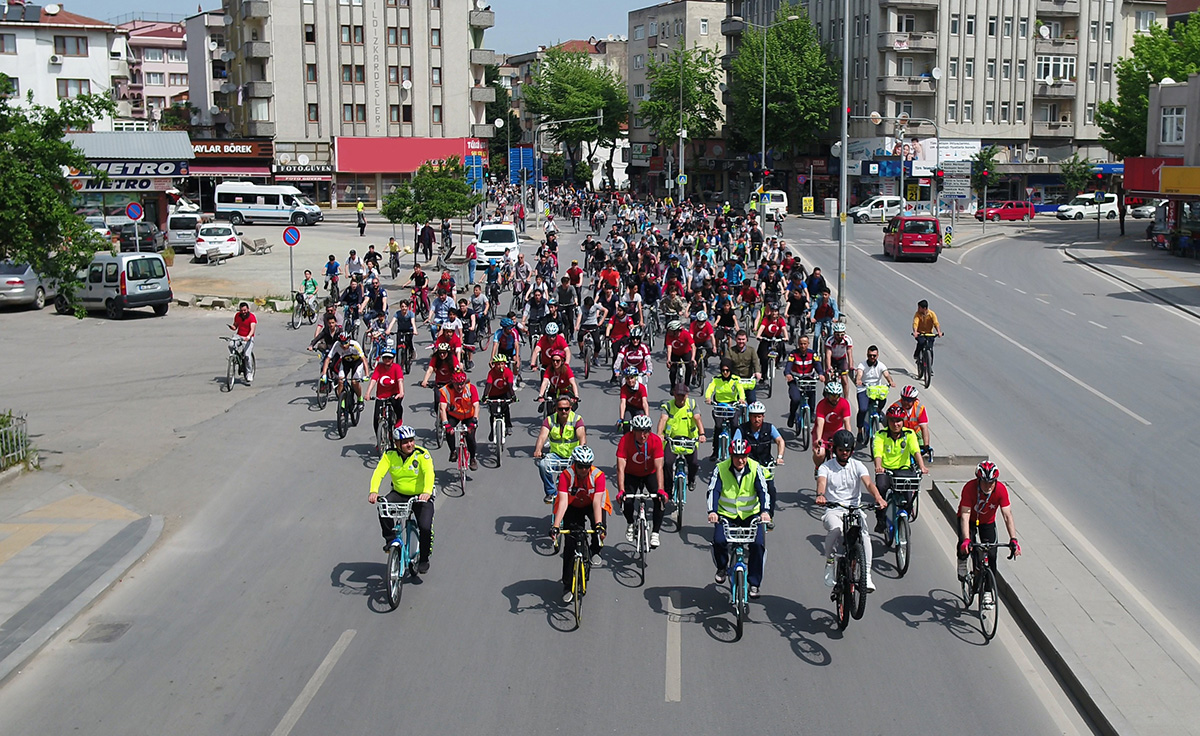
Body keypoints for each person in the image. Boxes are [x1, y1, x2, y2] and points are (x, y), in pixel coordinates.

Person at [815, 429, 887, 591]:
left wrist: (878, 497)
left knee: (864, 535)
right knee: (836, 529)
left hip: (854, 509)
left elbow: (868, 483)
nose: (844, 453)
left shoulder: (857, 465)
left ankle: (866, 575)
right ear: (835, 449)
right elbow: (821, 482)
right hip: (834, 509)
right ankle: (829, 562)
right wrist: (820, 495)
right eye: (841, 450)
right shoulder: (826, 467)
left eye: (847, 450)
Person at [708, 438, 771, 598]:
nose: (740, 460)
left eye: (744, 456)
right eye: (737, 456)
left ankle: (754, 583)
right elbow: (713, 491)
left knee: (758, 545)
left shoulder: (755, 468)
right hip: (726, 515)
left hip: (751, 516)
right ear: (731, 456)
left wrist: (765, 512)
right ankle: (722, 567)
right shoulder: (720, 469)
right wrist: (712, 512)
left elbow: (763, 491)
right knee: (719, 541)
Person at [369, 425, 435, 573]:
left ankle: (424, 558)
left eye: (411, 440)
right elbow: (378, 473)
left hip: (421, 496)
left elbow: (429, 474)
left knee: (425, 527)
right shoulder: (389, 455)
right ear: (397, 444)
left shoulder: (422, 454)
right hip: (399, 494)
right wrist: (373, 491)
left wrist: (426, 492)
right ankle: (390, 539)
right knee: (383, 506)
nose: (410, 444)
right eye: (405, 442)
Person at [550, 445, 608, 603]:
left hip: (591, 504)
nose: (583, 470)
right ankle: (567, 586)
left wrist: (598, 525)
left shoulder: (598, 476)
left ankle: (594, 551)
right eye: (580, 466)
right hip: (573, 506)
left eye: (587, 466)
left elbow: (597, 503)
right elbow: (562, 502)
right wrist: (555, 526)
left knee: (601, 530)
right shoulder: (566, 476)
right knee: (570, 544)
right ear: (575, 464)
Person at [957, 462, 1021, 602]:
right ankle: (962, 562)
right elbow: (965, 516)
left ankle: (987, 592)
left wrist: (1013, 539)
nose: (988, 486)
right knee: (965, 543)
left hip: (987, 522)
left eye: (991, 482)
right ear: (979, 480)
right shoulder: (969, 488)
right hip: (970, 520)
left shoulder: (1001, 490)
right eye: (985, 483)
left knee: (991, 555)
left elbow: (1007, 515)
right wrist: (967, 539)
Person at [872, 404, 928, 532]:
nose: (895, 424)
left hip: (904, 470)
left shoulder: (910, 434)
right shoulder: (880, 435)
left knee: (909, 499)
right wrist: (878, 466)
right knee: (880, 488)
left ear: (903, 422)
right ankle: (880, 519)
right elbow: (878, 453)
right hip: (886, 470)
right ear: (887, 421)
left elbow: (915, 451)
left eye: (898, 421)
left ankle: (903, 521)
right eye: (892, 420)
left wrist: (922, 466)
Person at [616, 414, 667, 548]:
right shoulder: (625, 440)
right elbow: (620, 468)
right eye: (639, 431)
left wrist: (661, 489)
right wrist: (621, 490)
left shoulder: (655, 441)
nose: (643, 435)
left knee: (659, 500)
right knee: (627, 501)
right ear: (633, 430)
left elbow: (659, 467)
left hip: (650, 473)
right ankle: (630, 523)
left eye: (646, 431)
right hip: (631, 474)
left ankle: (655, 532)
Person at [733, 402, 786, 518]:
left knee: (770, 490)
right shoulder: (741, 429)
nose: (756, 419)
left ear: (763, 416)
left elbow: (780, 441)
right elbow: (734, 445)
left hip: (765, 466)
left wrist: (779, 457)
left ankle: (769, 516)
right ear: (749, 416)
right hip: (748, 467)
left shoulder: (769, 428)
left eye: (759, 416)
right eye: (753, 416)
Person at [533, 395, 587, 503]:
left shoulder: (577, 419)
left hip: (573, 455)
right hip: (555, 455)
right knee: (543, 465)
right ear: (556, 409)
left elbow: (582, 436)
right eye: (560, 409)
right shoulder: (549, 420)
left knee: (583, 470)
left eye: (566, 408)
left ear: (570, 408)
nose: (564, 411)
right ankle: (551, 492)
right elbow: (542, 436)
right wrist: (538, 449)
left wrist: (581, 448)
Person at [657, 383, 705, 498]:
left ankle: (691, 479)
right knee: (667, 463)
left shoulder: (692, 404)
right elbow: (663, 420)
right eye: (678, 395)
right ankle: (668, 488)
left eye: (683, 395)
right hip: (672, 440)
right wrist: (659, 435)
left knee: (693, 463)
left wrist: (702, 434)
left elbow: (697, 418)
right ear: (674, 394)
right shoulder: (668, 406)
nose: (680, 398)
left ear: (687, 395)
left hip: (689, 440)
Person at [703, 359, 748, 460]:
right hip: (720, 406)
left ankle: (735, 447)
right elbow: (710, 388)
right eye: (723, 370)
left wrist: (741, 399)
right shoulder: (716, 379)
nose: (725, 373)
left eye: (727, 370)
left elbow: (740, 390)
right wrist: (708, 397)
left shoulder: (736, 380)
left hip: (733, 405)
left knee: (735, 425)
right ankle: (715, 451)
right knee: (718, 427)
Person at [438, 370, 480, 470]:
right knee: (449, 432)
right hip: (454, 415)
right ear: (452, 383)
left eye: (462, 384)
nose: (460, 387)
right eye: (457, 384)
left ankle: (473, 458)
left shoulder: (471, 388)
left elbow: (476, 406)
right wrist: (446, 424)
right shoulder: (446, 390)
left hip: (469, 415)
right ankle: (453, 451)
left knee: (470, 436)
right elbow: (442, 408)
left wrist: (474, 421)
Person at [854, 344, 894, 444]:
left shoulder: (881, 365)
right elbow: (859, 374)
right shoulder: (862, 365)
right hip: (864, 389)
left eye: (874, 356)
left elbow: (886, 374)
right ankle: (859, 431)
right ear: (867, 355)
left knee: (883, 399)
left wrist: (890, 381)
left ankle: (878, 411)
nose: (872, 357)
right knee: (863, 409)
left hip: (876, 390)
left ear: (877, 356)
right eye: (870, 355)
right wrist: (858, 380)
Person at [365, 347, 405, 443]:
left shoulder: (396, 367)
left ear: (393, 358)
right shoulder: (379, 367)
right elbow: (374, 379)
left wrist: (401, 392)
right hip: (381, 396)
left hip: (394, 394)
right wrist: (368, 393)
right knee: (376, 419)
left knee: (397, 406)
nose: (387, 360)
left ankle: (398, 420)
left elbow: (400, 380)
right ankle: (380, 440)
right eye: (385, 357)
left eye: (389, 358)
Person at [811, 381, 853, 472]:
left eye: (837, 396)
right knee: (820, 454)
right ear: (827, 395)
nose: (835, 398)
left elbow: (847, 422)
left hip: (837, 430)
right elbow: (820, 423)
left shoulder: (844, 403)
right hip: (823, 432)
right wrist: (819, 439)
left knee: (843, 452)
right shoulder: (822, 404)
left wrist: (849, 438)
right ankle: (817, 468)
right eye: (832, 396)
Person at [323, 331, 368, 411]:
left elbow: (364, 360)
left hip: (357, 363)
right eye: (342, 343)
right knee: (340, 381)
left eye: (345, 343)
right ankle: (342, 402)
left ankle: (360, 399)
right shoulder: (337, 345)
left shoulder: (355, 345)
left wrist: (366, 375)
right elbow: (328, 359)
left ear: (349, 340)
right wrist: (324, 374)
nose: (343, 345)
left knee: (354, 382)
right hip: (345, 362)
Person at [784, 335, 819, 429]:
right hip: (795, 380)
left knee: (812, 394)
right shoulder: (793, 354)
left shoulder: (813, 354)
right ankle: (792, 415)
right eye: (801, 344)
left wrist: (821, 374)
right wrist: (788, 374)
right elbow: (788, 365)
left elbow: (818, 365)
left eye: (805, 344)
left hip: (808, 379)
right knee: (795, 399)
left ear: (808, 344)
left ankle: (811, 413)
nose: (803, 346)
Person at [722, 329, 761, 404]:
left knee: (752, 402)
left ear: (746, 340)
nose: (741, 341)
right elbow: (726, 364)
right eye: (739, 339)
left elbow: (756, 362)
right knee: (732, 403)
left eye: (743, 339)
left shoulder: (751, 350)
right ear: (736, 339)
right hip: (734, 381)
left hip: (748, 380)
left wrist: (757, 372)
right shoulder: (730, 351)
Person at [483, 354, 516, 439]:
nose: (500, 366)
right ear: (494, 365)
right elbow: (488, 385)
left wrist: (513, 396)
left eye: (502, 364)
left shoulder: (508, 372)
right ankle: (492, 430)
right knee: (492, 414)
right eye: (497, 364)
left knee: (506, 409)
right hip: (493, 394)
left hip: (504, 393)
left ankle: (508, 426)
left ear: (505, 364)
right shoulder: (491, 373)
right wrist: (485, 396)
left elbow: (510, 385)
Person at [888, 385, 931, 449]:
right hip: (900, 432)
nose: (905, 402)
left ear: (914, 400)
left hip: (916, 432)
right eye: (904, 399)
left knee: (920, 450)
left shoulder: (920, 408)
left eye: (909, 400)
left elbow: (924, 428)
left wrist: (926, 446)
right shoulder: (895, 407)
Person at [911, 299, 943, 380]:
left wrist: (939, 332)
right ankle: (917, 355)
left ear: (924, 308)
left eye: (919, 307)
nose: (918, 309)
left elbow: (936, 323)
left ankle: (929, 367)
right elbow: (915, 323)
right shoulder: (917, 314)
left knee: (930, 349)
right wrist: (915, 332)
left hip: (929, 333)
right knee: (921, 343)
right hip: (920, 333)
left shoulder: (932, 314)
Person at [823, 321, 855, 400]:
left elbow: (849, 354)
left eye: (842, 334)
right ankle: (827, 391)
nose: (840, 336)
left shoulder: (848, 340)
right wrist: (828, 368)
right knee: (828, 376)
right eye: (837, 334)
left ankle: (846, 399)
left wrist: (851, 367)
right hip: (832, 359)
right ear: (834, 334)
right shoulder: (830, 341)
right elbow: (828, 356)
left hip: (842, 359)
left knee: (844, 379)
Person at [229, 301, 257, 383]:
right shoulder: (237, 315)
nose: (243, 312)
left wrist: (248, 336)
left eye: (245, 310)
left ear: (248, 309)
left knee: (247, 356)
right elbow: (235, 326)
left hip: (248, 337)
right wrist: (233, 327)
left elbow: (252, 329)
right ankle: (236, 357)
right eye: (242, 311)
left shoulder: (252, 317)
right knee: (230, 345)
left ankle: (249, 373)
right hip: (239, 335)